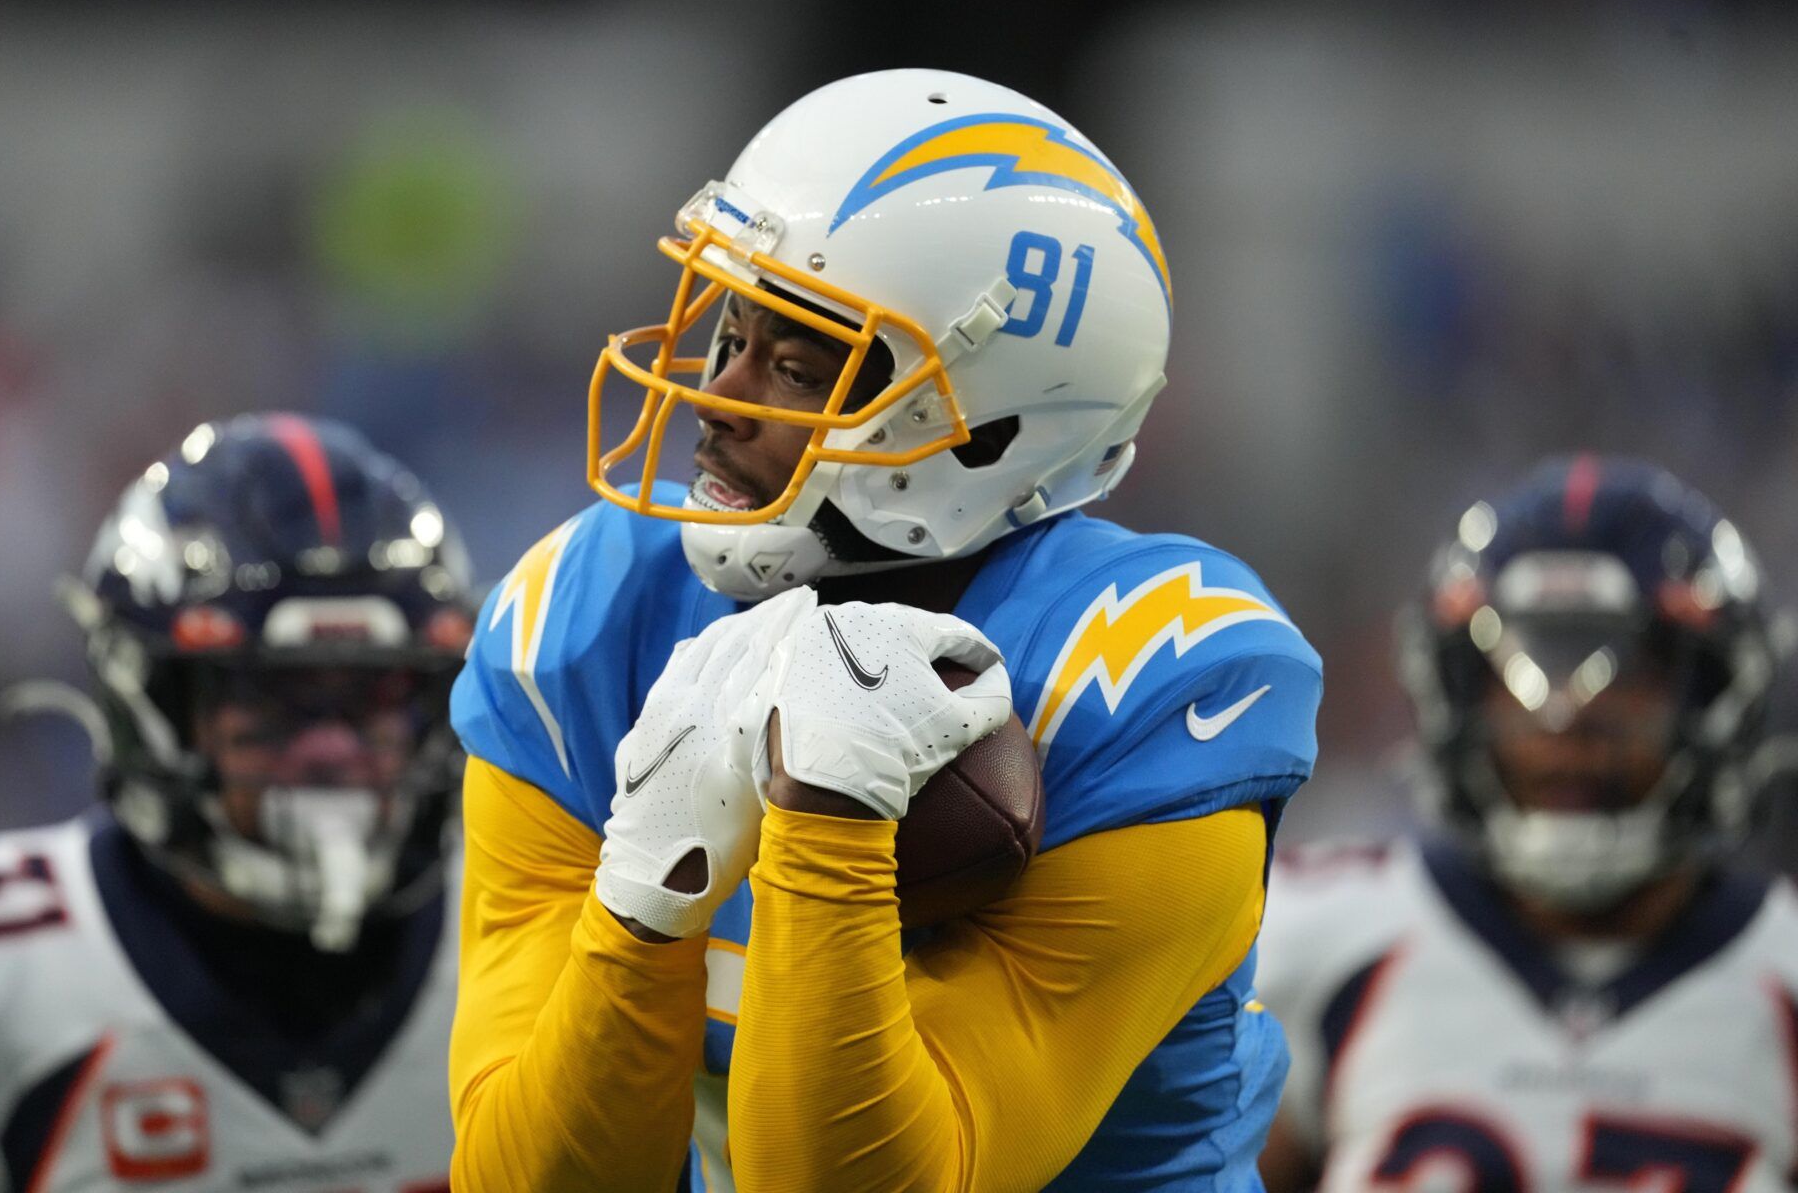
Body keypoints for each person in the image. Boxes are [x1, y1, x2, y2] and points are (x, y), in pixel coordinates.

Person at [448, 68, 1325, 1192]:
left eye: (801, 366)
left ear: (984, 431)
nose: (721, 396)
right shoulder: (589, 611)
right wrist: (642, 896)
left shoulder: (1146, 672)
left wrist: (830, 817)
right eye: (733, 332)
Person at [0, 413, 474, 1193]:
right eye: (272, 696)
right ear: (151, 704)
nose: (332, 749)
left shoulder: (541, 930)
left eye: (378, 692)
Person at [1256, 455, 1796, 1192]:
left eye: (1631, 676)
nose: (1568, 723)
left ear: (1719, 696)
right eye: (1519, 674)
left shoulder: (1783, 976)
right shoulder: (1316, 940)